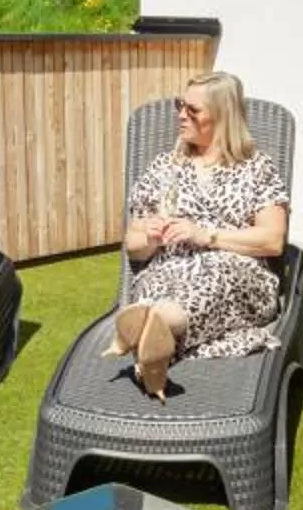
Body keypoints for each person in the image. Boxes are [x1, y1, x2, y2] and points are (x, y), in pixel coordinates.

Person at [109, 69, 290, 401]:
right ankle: (153, 345)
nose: (180, 115)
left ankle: (150, 326)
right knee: (156, 280)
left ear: (222, 116)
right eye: (181, 104)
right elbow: (133, 247)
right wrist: (148, 237)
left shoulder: (256, 168)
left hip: (237, 273)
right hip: (168, 269)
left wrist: (205, 235)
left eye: (192, 110)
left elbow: (272, 240)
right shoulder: (165, 166)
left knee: (213, 274)